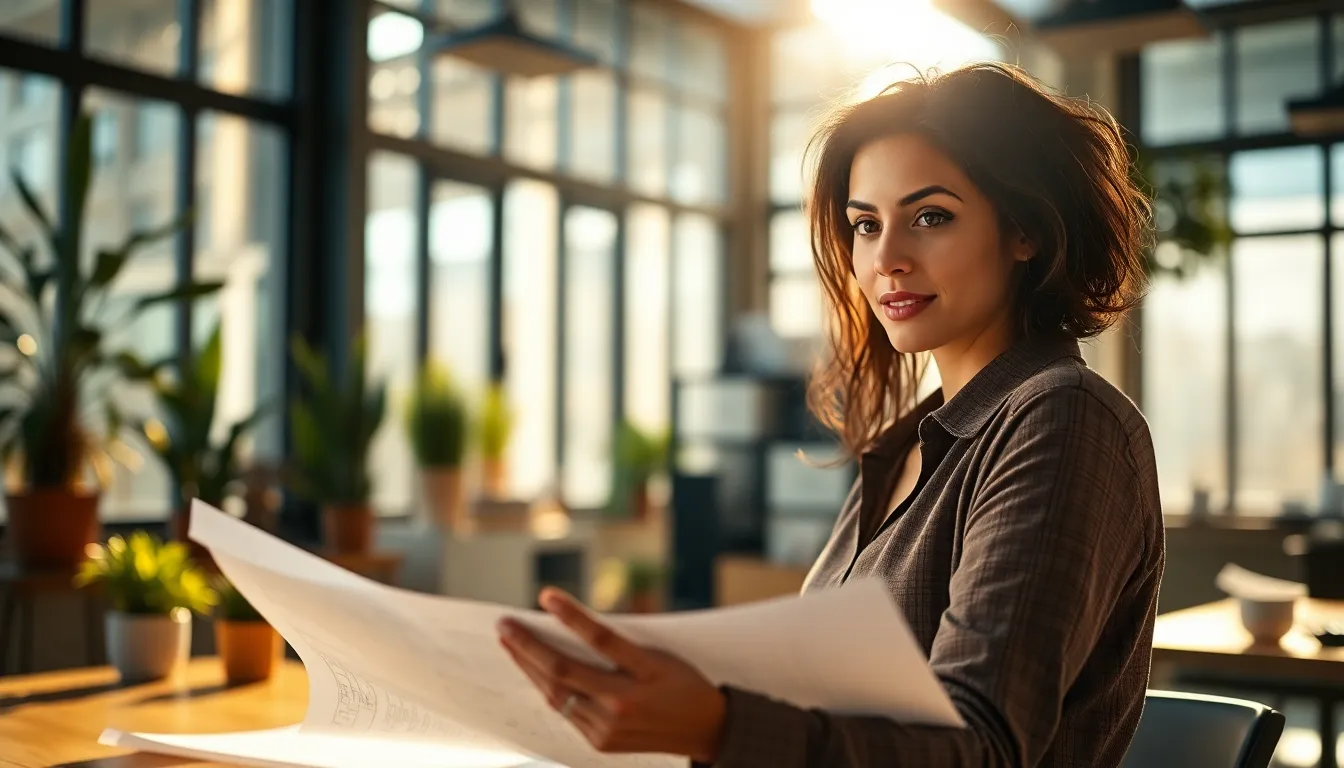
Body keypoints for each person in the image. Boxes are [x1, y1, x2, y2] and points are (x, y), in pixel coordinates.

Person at [496, 61, 1165, 768]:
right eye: (865, 225)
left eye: (930, 217)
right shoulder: (905, 445)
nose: (887, 260)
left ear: (1025, 228)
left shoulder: (1060, 420)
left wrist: (719, 729)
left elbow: (983, 751)